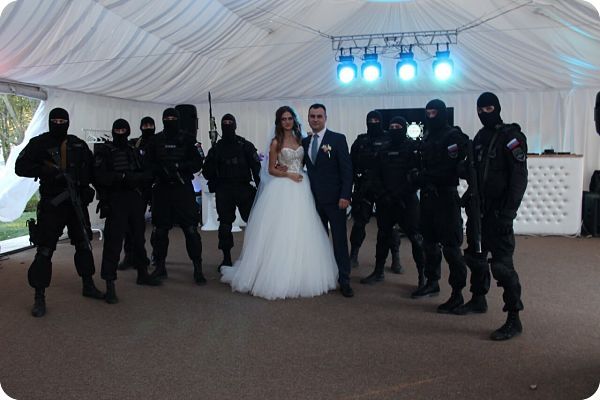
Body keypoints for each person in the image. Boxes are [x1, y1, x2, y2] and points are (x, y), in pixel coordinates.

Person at [220, 106, 338, 299]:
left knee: (303, 228)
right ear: (279, 122)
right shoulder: (276, 142)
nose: (287, 122)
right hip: (282, 187)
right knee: (281, 229)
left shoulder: (302, 139)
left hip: (302, 187)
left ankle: (302, 272)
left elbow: (309, 160)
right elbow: (270, 169)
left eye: (290, 118)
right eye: (283, 119)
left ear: (294, 120)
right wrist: (288, 174)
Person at [14, 107, 104, 317]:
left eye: (63, 121)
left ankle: (88, 284)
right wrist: (43, 170)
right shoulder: (39, 143)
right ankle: (39, 296)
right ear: (50, 122)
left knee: (84, 244)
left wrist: (90, 190)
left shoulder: (78, 144)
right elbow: (20, 167)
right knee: (45, 249)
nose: (59, 124)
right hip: (52, 205)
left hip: (76, 203)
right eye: (55, 120)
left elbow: (92, 171)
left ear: (68, 122)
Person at [453, 92, 528, 341]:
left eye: (488, 108)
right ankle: (478, 299)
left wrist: (508, 213)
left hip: (499, 212)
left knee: (502, 266)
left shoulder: (511, 137)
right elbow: (472, 170)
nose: (483, 113)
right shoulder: (479, 138)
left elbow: (519, 178)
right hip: (478, 209)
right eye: (480, 110)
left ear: (497, 108)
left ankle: (514, 318)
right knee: (475, 256)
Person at [409, 99, 469, 314]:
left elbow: (451, 168)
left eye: (434, 112)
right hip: (428, 197)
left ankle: (457, 294)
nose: (430, 116)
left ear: (442, 113)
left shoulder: (453, 136)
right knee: (429, 244)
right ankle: (432, 282)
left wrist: (424, 175)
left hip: (445, 197)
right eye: (428, 112)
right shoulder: (427, 136)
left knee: (451, 248)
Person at [94, 119, 161, 304]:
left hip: (134, 198)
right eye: (117, 130)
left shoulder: (133, 151)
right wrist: (120, 178)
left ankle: (142, 273)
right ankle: (109, 284)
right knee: (113, 243)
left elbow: (147, 172)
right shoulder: (105, 151)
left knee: (138, 239)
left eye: (123, 130)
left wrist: (137, 179)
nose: (120, 133)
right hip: (116, 200)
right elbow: (98, 176)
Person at [146, 108, 206, 285]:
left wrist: (180, 166)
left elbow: (197, 162)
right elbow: (147, 163)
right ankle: (160, 266)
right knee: (160, 231)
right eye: (167, 118)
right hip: (162, 189)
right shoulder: (155, 140)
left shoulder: (188, 139)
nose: (170, 120)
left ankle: (198, 268)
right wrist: (160, 171)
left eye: (173, 117)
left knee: (191, 230)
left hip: (182, 188)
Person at [303, 103, 354, 297]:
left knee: (339, 240)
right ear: (308, 118)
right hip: (312, 200)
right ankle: (323, 276)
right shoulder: (305, 142)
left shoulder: (337, 139)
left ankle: (345, 279)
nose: (315, 119)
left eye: (319, 116)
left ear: (325, 118)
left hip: (335, 200)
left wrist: (345, 195)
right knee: (319, 240)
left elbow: (347, 170)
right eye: (312, 116)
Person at [370, 116, 426, 289]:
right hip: (386, 201)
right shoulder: (383, 150)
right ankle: (378, 271)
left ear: (404, 128)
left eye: (398, 126)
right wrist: (383, 194)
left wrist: (401, 193)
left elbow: (418, 176)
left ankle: (423, 277)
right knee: (382, 236)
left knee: (416, 239)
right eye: (392, 126)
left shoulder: (413, 149)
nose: (395, 129)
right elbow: (375, 175)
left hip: (406, 201)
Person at [202, 114, 261, 268]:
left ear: (235, 125)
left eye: (230, 122)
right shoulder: (216, 148)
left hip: (244, 189)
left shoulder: (245, 145)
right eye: (225, 123)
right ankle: (226, 258)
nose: (227, 125)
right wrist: (213, 159)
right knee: (225, 225)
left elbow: (256, 170)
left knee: (254, 223)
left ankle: (256, 256)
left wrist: (261, 191)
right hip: (224, 190)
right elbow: (207, 172)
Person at [349, 111, 402, 275]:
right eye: (370, 120)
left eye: (376, 120)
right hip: (364, 187)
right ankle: (354, 255)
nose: (373, 122)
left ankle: (396, 257)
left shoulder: (390, 138)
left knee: (390, 225)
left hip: (385, 188)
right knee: (359, 222)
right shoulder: (360, 141)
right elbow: (351, 164)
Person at [118, 116, 155, 270]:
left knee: (159, 226)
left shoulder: (159, 141)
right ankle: (130, 255)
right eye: (145, 126)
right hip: (139, 188)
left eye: (150, 125)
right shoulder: (134, 143)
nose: (148, 128)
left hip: (156, 186)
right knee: (132, 226)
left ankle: (157, 257)